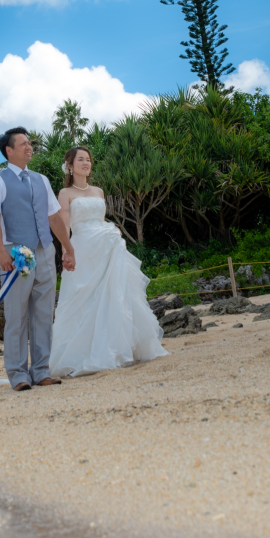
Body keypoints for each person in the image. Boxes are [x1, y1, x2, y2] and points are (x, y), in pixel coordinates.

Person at [49, 146, 168, 377]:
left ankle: (116, 347)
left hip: (106, 246)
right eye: (80, 160)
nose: (86, 163)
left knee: (114, 294)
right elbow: (64, 224)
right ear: (70, 166)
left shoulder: (98, 191)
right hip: (82, 247)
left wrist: (110, 225)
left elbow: (99, 218)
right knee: (84, 298)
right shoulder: (65, 193)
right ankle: (82, 353)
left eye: (88, 160)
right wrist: (66, 250)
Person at [0, 127, 76, 392]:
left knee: (44, 313)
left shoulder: (41, 179)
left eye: (29, 143)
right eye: (23, 143)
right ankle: (18, 374)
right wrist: (1, 251)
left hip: (45, 251)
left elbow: (54, 218)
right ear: (8, 151)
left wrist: (68, 248)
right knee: (17, 315)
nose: (29, 147)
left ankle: (41, 371)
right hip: (16, 254)